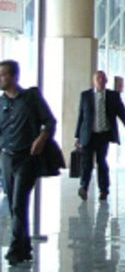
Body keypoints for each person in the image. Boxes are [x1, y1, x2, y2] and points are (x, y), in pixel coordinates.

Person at [0, 60, 56, 266]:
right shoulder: (1, 103)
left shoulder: (30, 98)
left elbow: (50, 121)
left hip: (27, 157)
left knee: (19, 202)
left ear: (14, 76)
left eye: (3, 74)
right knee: (13, 204)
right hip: (7, 157)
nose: (0, 78)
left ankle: (15, 250)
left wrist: (41, 138)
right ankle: (25, 247)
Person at [74, 70, 125, 202]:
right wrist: (77, 136)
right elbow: (81, 116)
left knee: (102, 162)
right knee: (86, 163)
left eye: (102, 78)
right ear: (93, 81)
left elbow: (121, 110)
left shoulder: (113, 96)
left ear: (106, 81)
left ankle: (104, 190)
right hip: (89, 135)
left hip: (103, 135)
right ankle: (84, 187)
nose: (100, 80)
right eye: (98, 78)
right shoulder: (86, 96)